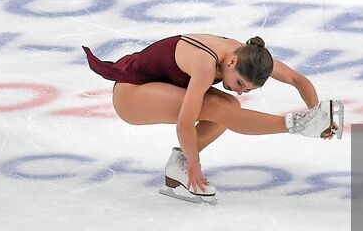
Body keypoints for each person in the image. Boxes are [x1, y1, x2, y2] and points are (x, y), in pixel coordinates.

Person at [83, 33, 343, 204]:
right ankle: (297, 125)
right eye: (240, 82)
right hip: (131, 95)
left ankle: (179, 164)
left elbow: (299, 80)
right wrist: (195, 167)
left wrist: (316, 112)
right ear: (231, 62)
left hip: (155, 87)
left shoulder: (250, 56)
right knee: (222, 108)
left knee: (229, 103)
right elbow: (186, 122)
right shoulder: (205, 63)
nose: (242, 89)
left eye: (248, 89)